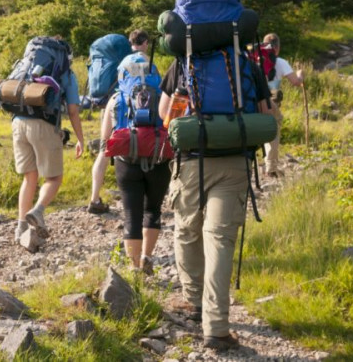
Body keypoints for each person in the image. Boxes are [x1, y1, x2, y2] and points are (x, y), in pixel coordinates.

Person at [158, 54, 275, 351]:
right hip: (234, 162)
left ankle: (194, 300)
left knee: (187, 230)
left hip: (190, 164)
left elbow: (164, 114)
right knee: (220, 240)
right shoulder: (246, 63)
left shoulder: (183, 63)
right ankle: (217, 327)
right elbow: (266, 114)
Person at [100, 54, 172, 273]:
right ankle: (147, 258)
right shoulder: (163, 96)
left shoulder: (116, 99)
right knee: (153, 210)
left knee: (132, 215)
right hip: (159, 158)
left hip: (126, 162)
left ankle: (134, 268)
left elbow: (105, 139)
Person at [13, 38, 85, 247]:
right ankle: (38, 211)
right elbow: (72, 110)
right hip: (43, 124)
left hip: (18, 122)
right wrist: (80, 139)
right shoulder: (66, 74)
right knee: (54, 178)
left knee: (29, 177)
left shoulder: (27, 67)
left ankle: (20, 229)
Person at [87, 29, 151, 214]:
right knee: (138, 147)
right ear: (145, 42)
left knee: (104, 150)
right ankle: (139, 198)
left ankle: (94, 198)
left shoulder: (121, 60)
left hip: (109, 103)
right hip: (129, 108)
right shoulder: (141, 61)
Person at [261, 33, 303, 178]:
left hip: (250, 99)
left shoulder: (253, 59)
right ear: (277, 47)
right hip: (268, 101)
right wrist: (300, 74)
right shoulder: (280, 62)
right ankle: (271, 168)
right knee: (274, 128)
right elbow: (296, 82)